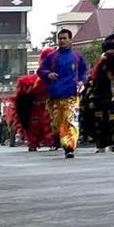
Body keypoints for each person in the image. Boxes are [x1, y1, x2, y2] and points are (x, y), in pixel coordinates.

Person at [38, 28, 90, 158]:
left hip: (72, 95)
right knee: (58, 123)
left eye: (64, 38)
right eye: (60, 39)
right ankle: (65, 142)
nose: (62, 41)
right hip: (56, 96)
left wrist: (82, 82)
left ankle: (70, 147)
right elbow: (41, 70)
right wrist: (48, 74)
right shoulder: (52, 57)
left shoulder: (77, 57)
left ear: (70, 40)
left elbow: (84, 71)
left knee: (70, 121)